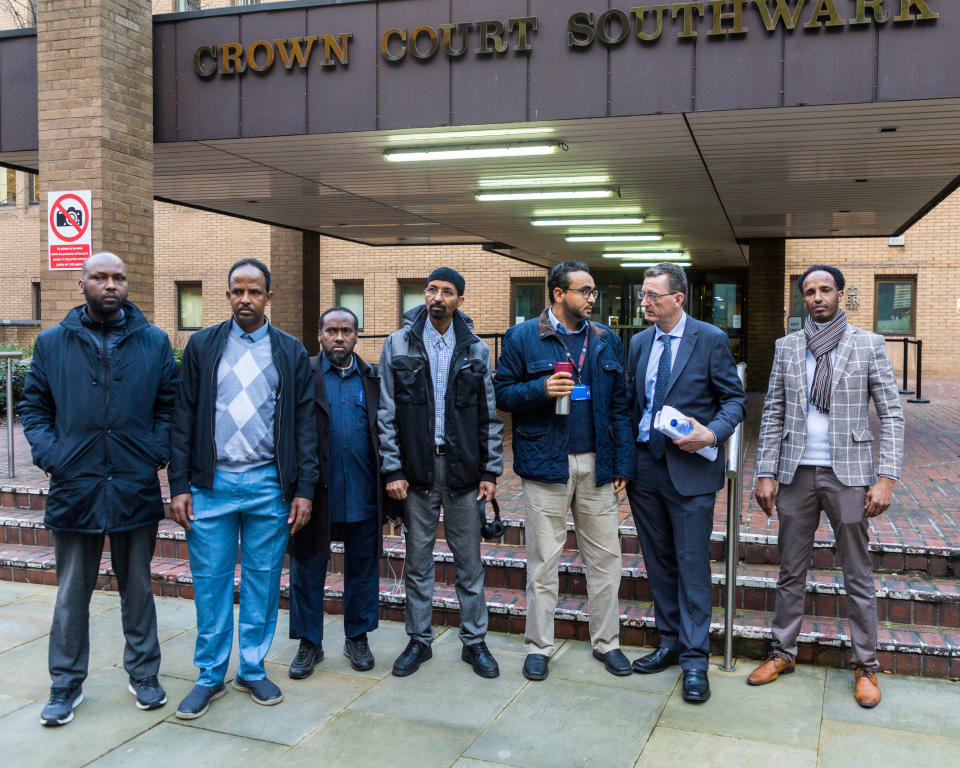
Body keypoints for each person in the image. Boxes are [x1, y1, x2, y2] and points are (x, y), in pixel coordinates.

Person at [19, 252, 177, 726]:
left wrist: (156, 449)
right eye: (100, 277)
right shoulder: (51, 344)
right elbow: (34, 408)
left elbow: (168, 406)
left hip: (133, 484)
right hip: (76, 486)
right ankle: (65, 685)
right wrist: (53, 455)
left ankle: (144, 675)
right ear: (82, 283)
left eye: (118, 278)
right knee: (71, 593)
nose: (111, 285)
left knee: (138, 588)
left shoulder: (154, 342)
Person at [168, 258, 318, 719]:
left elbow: (305, 424)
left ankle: (251, 668)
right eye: (238, 291)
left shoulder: (289, 350)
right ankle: (210, 675)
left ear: (268, 297)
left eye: (255, 292)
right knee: (211, 583)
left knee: (262, 580)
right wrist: (179, 484)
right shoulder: (203, 345)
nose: (245, 299)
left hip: (268, 484)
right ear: (228, 294)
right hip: (209, 485)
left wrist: (304, 488)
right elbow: (183, 416)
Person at [750, 265, 904, 708]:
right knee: (790, 570)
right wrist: (766, 472)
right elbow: (774, 411)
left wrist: (887, 478)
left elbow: (891, 413)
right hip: (796, 473)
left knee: (857, 572)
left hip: (850, 475)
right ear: (804, 299)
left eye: (825, 290)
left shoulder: (868, 344)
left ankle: (866, 665)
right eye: (809, 292)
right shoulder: (787, 348)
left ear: (840, 294)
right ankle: (782, 652)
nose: (817, 297)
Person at [494, 261, 634, 681]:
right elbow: (501, 394)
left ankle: (607, 643)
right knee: (543, 562)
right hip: (545, 466)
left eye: (593, 292)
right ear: (558, 294)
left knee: (607, 560)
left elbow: (620, 405)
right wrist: (540, 389)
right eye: (584, 291)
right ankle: (539, 647)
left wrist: (623, 462)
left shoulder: (605, 340)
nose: (593, 298)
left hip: (597, 464)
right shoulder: (522, 337)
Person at [625, 263, 746, 703]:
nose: (645, 303)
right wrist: (625, 465)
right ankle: (670, 644)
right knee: (658, 563)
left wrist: (711, 433)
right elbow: (631, 402)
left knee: (692, 566)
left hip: (691, 470)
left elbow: (734, 400)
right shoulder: (639, 343)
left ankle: (696, 661)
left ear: (679, 298)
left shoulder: (710, 339)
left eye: (653, 296)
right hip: (645, 469)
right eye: (643, 295)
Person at [378, 267, 504, 678]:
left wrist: (491, 469)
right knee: (418, 560)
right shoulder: (398, 343)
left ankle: (475, 642)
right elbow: (387, 413)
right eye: (431, 289)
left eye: (447, 292)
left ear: (459, 301)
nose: (437, 297)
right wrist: (392, 467)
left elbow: (489, 414)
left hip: (464, 469)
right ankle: (419, 640)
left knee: (469, 560)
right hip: (415, 470)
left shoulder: (476, 350)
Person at [287, 306, 398, 678]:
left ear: (356, 335)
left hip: (363, 489)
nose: (338, 337)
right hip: (314, 493)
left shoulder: (373, 378)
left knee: (363, 569)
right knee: (307, 568)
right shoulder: (304, 374)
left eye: (346, 331)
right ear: (319, 335)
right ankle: (309, 643)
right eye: (331, 330)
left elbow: (385, 431)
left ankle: (357, 636)